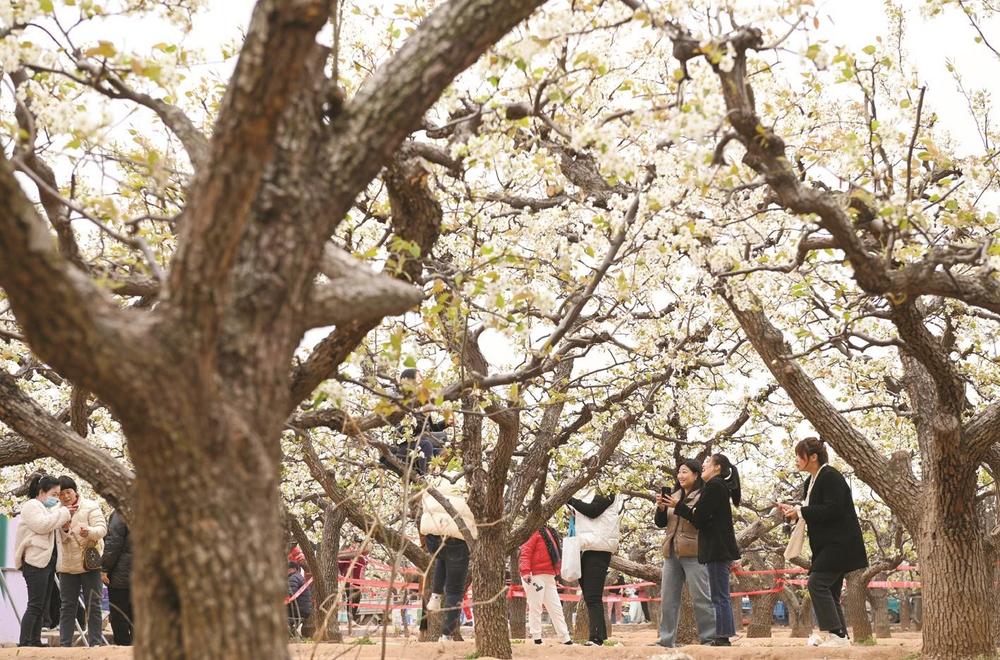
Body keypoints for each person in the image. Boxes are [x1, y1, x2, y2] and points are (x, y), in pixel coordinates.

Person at [778, 437, 868, 648]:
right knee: (831, 591)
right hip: (826, 545)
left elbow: (833, 509)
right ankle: (840, 638)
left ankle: (836, 634)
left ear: (813, 457)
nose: (796, 460)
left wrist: (801, 511)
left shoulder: (830, 476)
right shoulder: (811, 481)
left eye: (799, 456)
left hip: (840, 544)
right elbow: (815, 511)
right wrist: (797, 512)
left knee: (816, 583)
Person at [671, 453, 741, 647]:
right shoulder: (717, 487)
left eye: (708, 463)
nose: (703, 465)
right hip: (718, 547)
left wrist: (679, 506)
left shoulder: (714, 486)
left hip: (717, 548)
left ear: (717, 467)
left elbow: (699, 517)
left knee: (719, 595)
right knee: (719, 594)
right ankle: (723, 634)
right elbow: (703, 516)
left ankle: (723, 636)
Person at [653, 459, 716, 648]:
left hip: (694, 551)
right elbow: (661, 523)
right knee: (668, 599)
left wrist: (679, 504)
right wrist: (662, 508)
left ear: (696, 474)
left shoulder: (703, 495)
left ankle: (709, 639)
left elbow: (700, 521)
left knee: (701, 598)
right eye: (679, 472)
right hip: (671, 552)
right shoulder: (674, 494)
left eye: (685, 472)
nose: (680, 476)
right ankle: (665, 640)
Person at [14, 474, 71, 647]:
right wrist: (64, 512)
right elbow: (42, 525)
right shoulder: (31, 506)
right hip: (34, 562)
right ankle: (24, 642)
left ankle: (35, 640)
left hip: (48, 562)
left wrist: (65, 526)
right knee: (35, 604)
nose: (56, 498)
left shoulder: (46, 509)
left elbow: (55, 531)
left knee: (41, 606)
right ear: (41, 492)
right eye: (54, 494)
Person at [420, 476, 476, 641]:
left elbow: (424, 502)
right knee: (455, 590)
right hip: (457, 539)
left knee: (441, 558)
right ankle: (446, 634)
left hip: (433, 535)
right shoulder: (472, 484)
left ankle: (436, 596)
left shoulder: (437, 479)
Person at [56, 476, 108, 647]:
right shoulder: (57, 511)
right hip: (67, 566)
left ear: (75, 491)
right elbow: (57, 538)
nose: (65, 496)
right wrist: (64, 529)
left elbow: (102, 529)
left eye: (68, 492)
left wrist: (90, 532)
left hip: (89, 564)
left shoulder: (90, 506)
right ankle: (64, 645)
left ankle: (95, 644)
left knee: (93, 605)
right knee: (67, 607)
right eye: (61, 494)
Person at [567, 487, 620, 646]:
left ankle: (596, 637)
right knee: (590, 596)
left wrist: (570, 499)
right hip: (587, 548)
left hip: (598, 549)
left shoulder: (609, 488)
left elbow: (593, 511)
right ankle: (599, 636)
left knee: (593, 596)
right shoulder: (592, 491)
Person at [519, 524, 572, 645]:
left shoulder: (549, 531)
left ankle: (565, 637)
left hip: (549, 576)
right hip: (535, 575)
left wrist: (557, 574)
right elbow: (526, 551)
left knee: (556, 608)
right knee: (535, 607)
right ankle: (537, 638)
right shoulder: (533, 531)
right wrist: (526, 572)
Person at [101, 509, 133, 645]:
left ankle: (123, 647)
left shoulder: (121, 512)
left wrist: (104, 568)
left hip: (121, 573)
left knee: (119, 614)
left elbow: (113, 543)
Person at [287, 561, 313, 636]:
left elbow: (290, 594)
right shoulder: (299, 577)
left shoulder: (293, 578)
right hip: (303, 609)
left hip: (298, 610)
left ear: (293, 569)